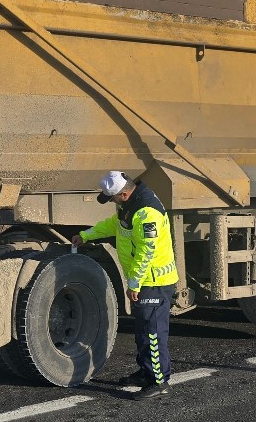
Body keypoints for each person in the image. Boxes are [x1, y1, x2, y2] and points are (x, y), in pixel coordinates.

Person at [73, 170, 180, 400]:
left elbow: (146, 251)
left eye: (111, 197)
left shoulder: (146, 212)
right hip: (146, 281)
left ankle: (159, 382)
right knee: (142, 332)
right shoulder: (129, 205)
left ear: (123, 194)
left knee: (153, 333)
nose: (111, 202)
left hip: (154, 281)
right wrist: (86, 235)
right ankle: (146, 373)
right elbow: (115, 225)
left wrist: (134, 284)